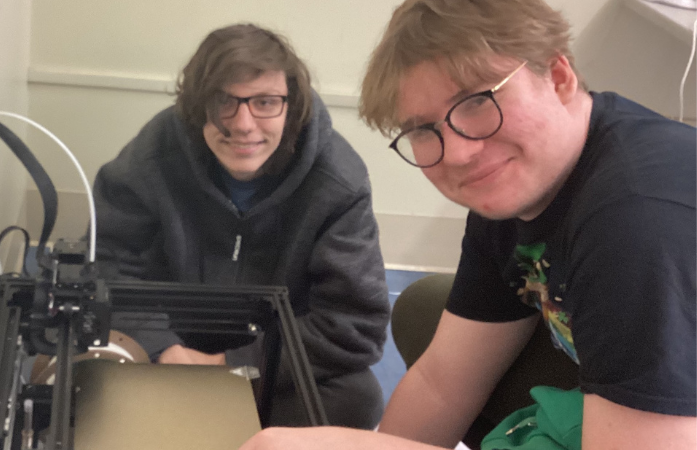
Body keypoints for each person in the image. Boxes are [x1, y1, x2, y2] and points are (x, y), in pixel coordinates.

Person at [240, 0, 696, 448]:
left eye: (478, 101)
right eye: (422, 130)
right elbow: (444, 381)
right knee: (425, 309)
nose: (458, 153)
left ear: (557, 77)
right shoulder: (517, 192)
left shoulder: (639, 222)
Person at [91, 23, 391, 429]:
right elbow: (108, 263)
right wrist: (163, 348)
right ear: (196, 104)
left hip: (273, 359)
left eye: (266, 102)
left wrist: (231, 366)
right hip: (169, 346)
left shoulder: (338, 180)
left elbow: (354, 325)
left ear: (292, 103)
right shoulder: (154, 153)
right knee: (85, 377)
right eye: (223, 101)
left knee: (356, 399)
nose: (244, 124)